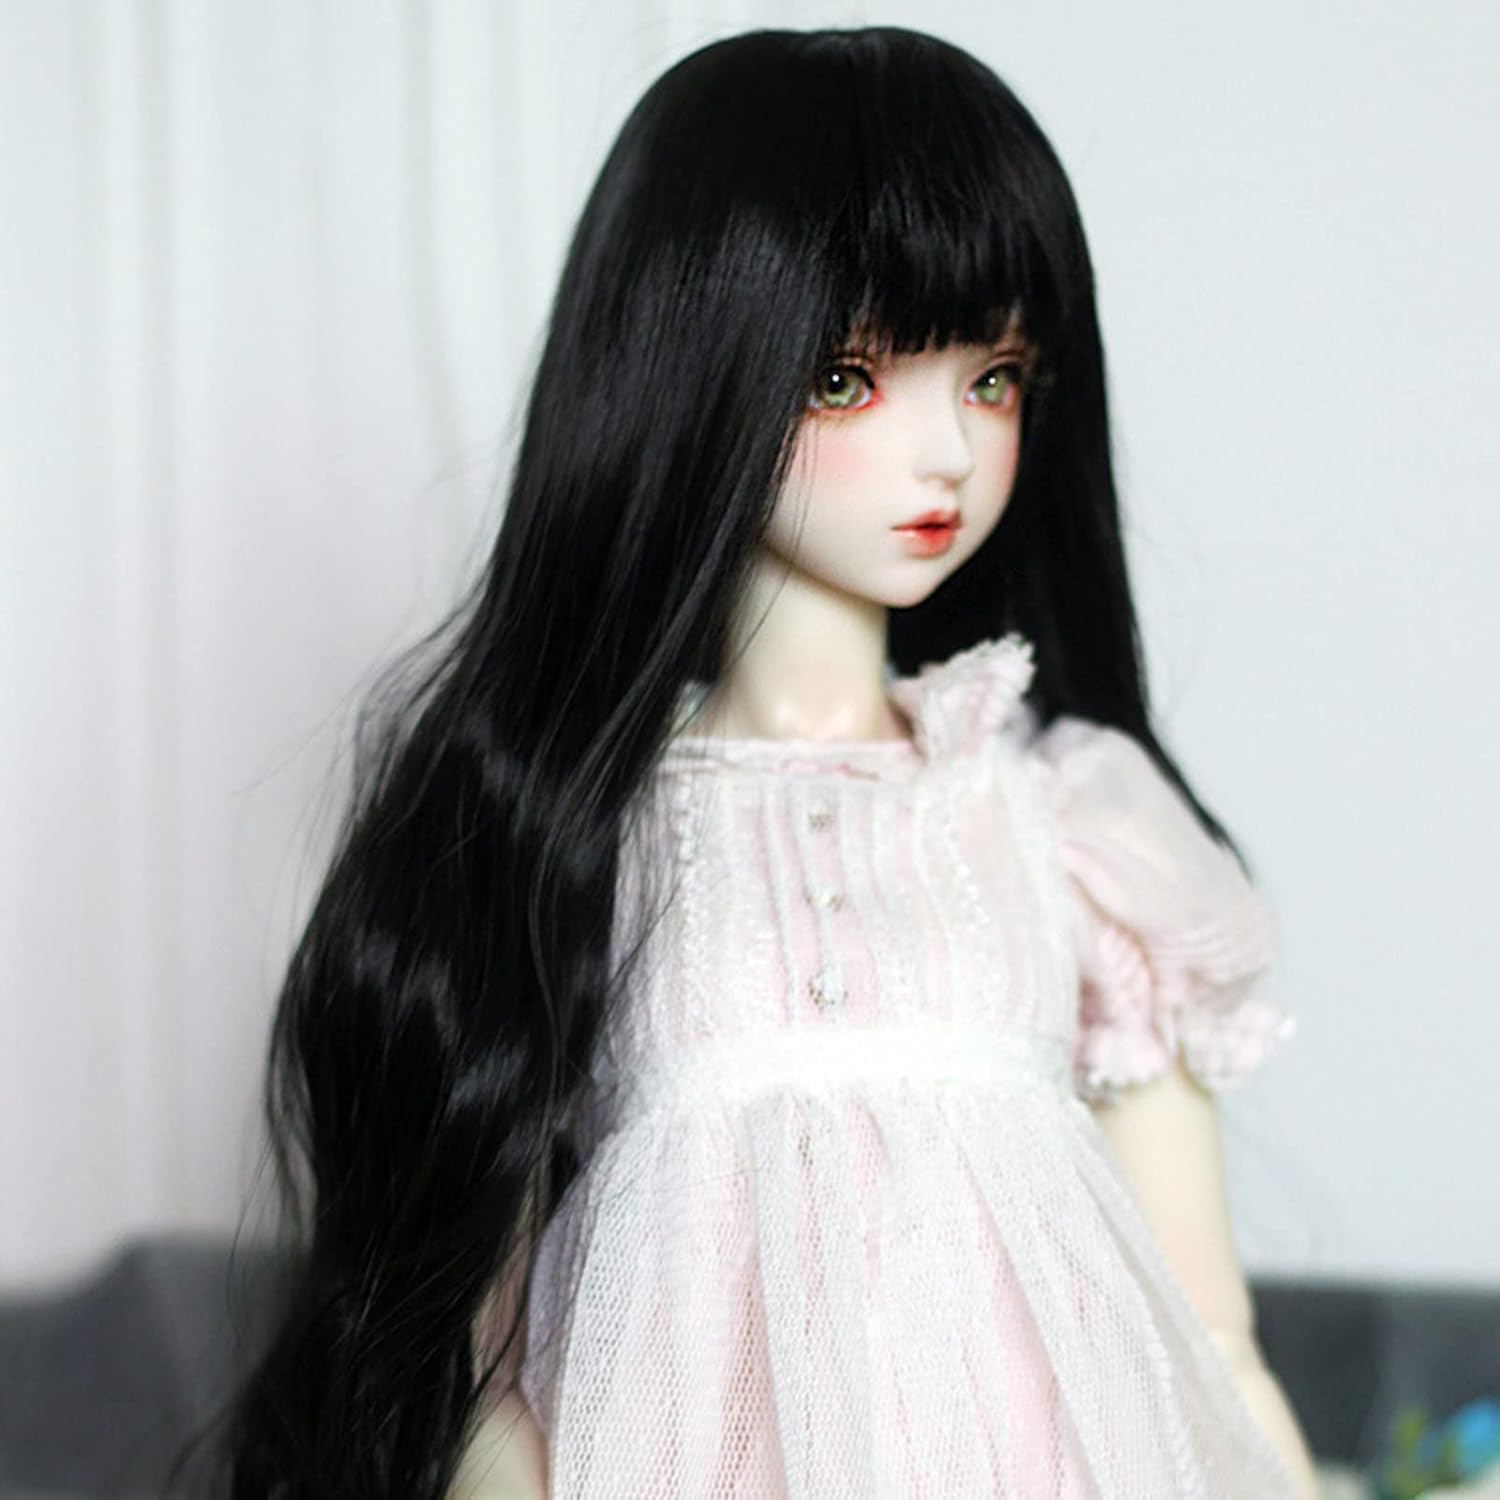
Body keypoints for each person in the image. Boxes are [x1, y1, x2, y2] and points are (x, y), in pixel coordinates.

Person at [218, 24, 1320, 1499]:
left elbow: (1209, 1332)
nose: (947, 453)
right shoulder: (570, 828)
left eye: (994, 379)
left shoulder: (1070, 820)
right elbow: (478, 1380)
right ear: (691, 375)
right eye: (852, 380)